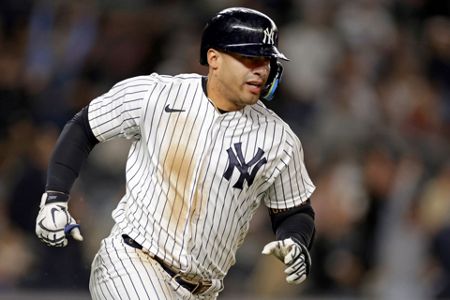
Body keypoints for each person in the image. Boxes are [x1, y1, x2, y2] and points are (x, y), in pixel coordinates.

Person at [35, 7, 316, 299]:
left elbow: (294, 210)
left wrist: (295, 241)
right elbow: (84, 127)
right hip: (132, 261)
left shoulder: (279, 138)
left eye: (267, 60)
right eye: (250, 58)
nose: (261, 69)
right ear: (214, 58)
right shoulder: (157, 94)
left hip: (204, 290)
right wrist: (55, 198)